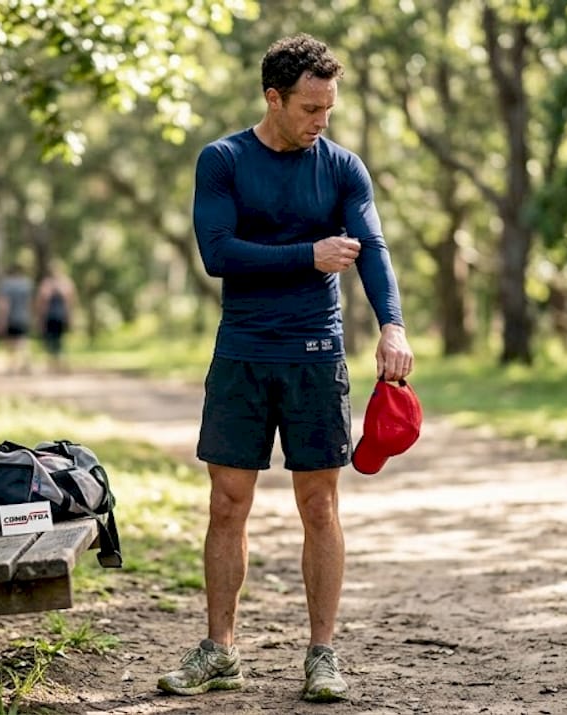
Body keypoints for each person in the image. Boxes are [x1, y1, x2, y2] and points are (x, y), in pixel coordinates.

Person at [156, 34, 414, 704]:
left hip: (315, 355)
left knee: (320, 504)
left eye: (328, 107)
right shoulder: (223, 160)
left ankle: (321, 655)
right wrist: (307, 255)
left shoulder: (343, 168)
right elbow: (219, 253)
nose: (320, 120)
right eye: (308, 107)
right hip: (242, 352)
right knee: (227, 503)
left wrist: (392, 324)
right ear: (273, 97)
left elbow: (373, 248)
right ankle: (221, 649)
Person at [34, 266, 76, 373]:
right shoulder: (62, 284)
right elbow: (69, 303)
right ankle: (55, 365)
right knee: (55, 341)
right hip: (55, 316)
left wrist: (40, 318)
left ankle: (58, 365)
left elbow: (69, 302)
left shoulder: (57, 284)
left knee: (56, 341)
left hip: (55, 317)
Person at [0, 263, 34, 374]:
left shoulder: (6, 285)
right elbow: (29, 302)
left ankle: (11, 366)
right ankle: (26, 364)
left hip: (10, 317)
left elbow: (4, 304)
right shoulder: (26, 284)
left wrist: (1, 320)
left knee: (9, 342)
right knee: (23, 341)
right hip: (23, 316)